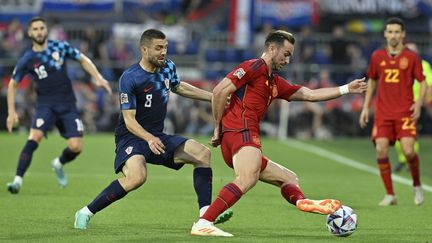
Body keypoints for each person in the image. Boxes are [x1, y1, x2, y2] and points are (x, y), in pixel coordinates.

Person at [190, 30, 367, 237]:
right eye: (286, 54)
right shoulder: (253, 67)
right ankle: (204, 222)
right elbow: (220, 91)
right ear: (272, 48)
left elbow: (310, 95)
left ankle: (301, 201)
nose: (288, 60)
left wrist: (346, 88)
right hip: (241, 131)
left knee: (288, 178)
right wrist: (217, 125)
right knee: (247, 178)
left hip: (241, 136)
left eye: (290, 55)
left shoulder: (275, 82)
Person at [73, 29, 232, 229]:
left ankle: (205, 217)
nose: (163, 52)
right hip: (130, 138)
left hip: (156, 136)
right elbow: (129, 120)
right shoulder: (130, 77)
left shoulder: (168, 68)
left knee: (202, 154)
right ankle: (85, 212)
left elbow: (179, 87)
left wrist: (213, 97)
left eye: (165, 47)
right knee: (137, 177)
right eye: (158, 48)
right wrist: (148, 138)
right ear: (144, 49)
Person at [6, 17, 112, 194]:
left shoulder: (60, 47)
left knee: (76, 147)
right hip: (45, 106)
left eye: (42, 28)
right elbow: (13, 84)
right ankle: (17, 180)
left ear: (46, 30)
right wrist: (11, 112)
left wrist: (98, 77)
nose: (39, 31)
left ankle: (58, 163)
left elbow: (83, 59)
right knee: (34, 137)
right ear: (30, 33)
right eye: (35, 29)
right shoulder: (28, 58)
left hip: (68, 105)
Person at [359, 17, 426, 206]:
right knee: (380, 150)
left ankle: (417, 184)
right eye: (390, 31)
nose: (393, 35)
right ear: (385, 34)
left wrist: (419, 104)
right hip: (383, 113)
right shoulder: (377, 56)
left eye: (397, 32)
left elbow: (422, 82)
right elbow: (372, 80)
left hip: (405, 112)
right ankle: (390, 194)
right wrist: (366, 107)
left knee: (408, 151)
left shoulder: (411, 57)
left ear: (403, 34)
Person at [393, 42, 432, 173]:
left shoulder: (424, 65)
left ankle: (411, 160)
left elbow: (429, 85)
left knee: (412, 134)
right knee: (398, 134)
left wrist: (423, 102)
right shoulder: (399, 65)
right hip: (400, 105)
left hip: (416, 105)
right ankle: (404, 159)